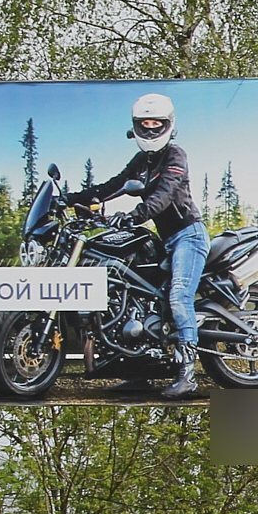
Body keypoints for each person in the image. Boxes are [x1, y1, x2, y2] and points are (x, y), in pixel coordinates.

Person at [70, 91, 204, 399]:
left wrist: (133, 215)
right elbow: (111, 186)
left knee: (179, 297)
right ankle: (137, 369)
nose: (151, 128)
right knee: (137, 297)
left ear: (168, 125)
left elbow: (165, 195)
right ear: (136, 126)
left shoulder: (175, 155)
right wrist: (69, 199)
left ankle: (188, 375)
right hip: (164, 239)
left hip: (188, 235)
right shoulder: (142, 160)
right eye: (145, 123)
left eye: (157, 123)